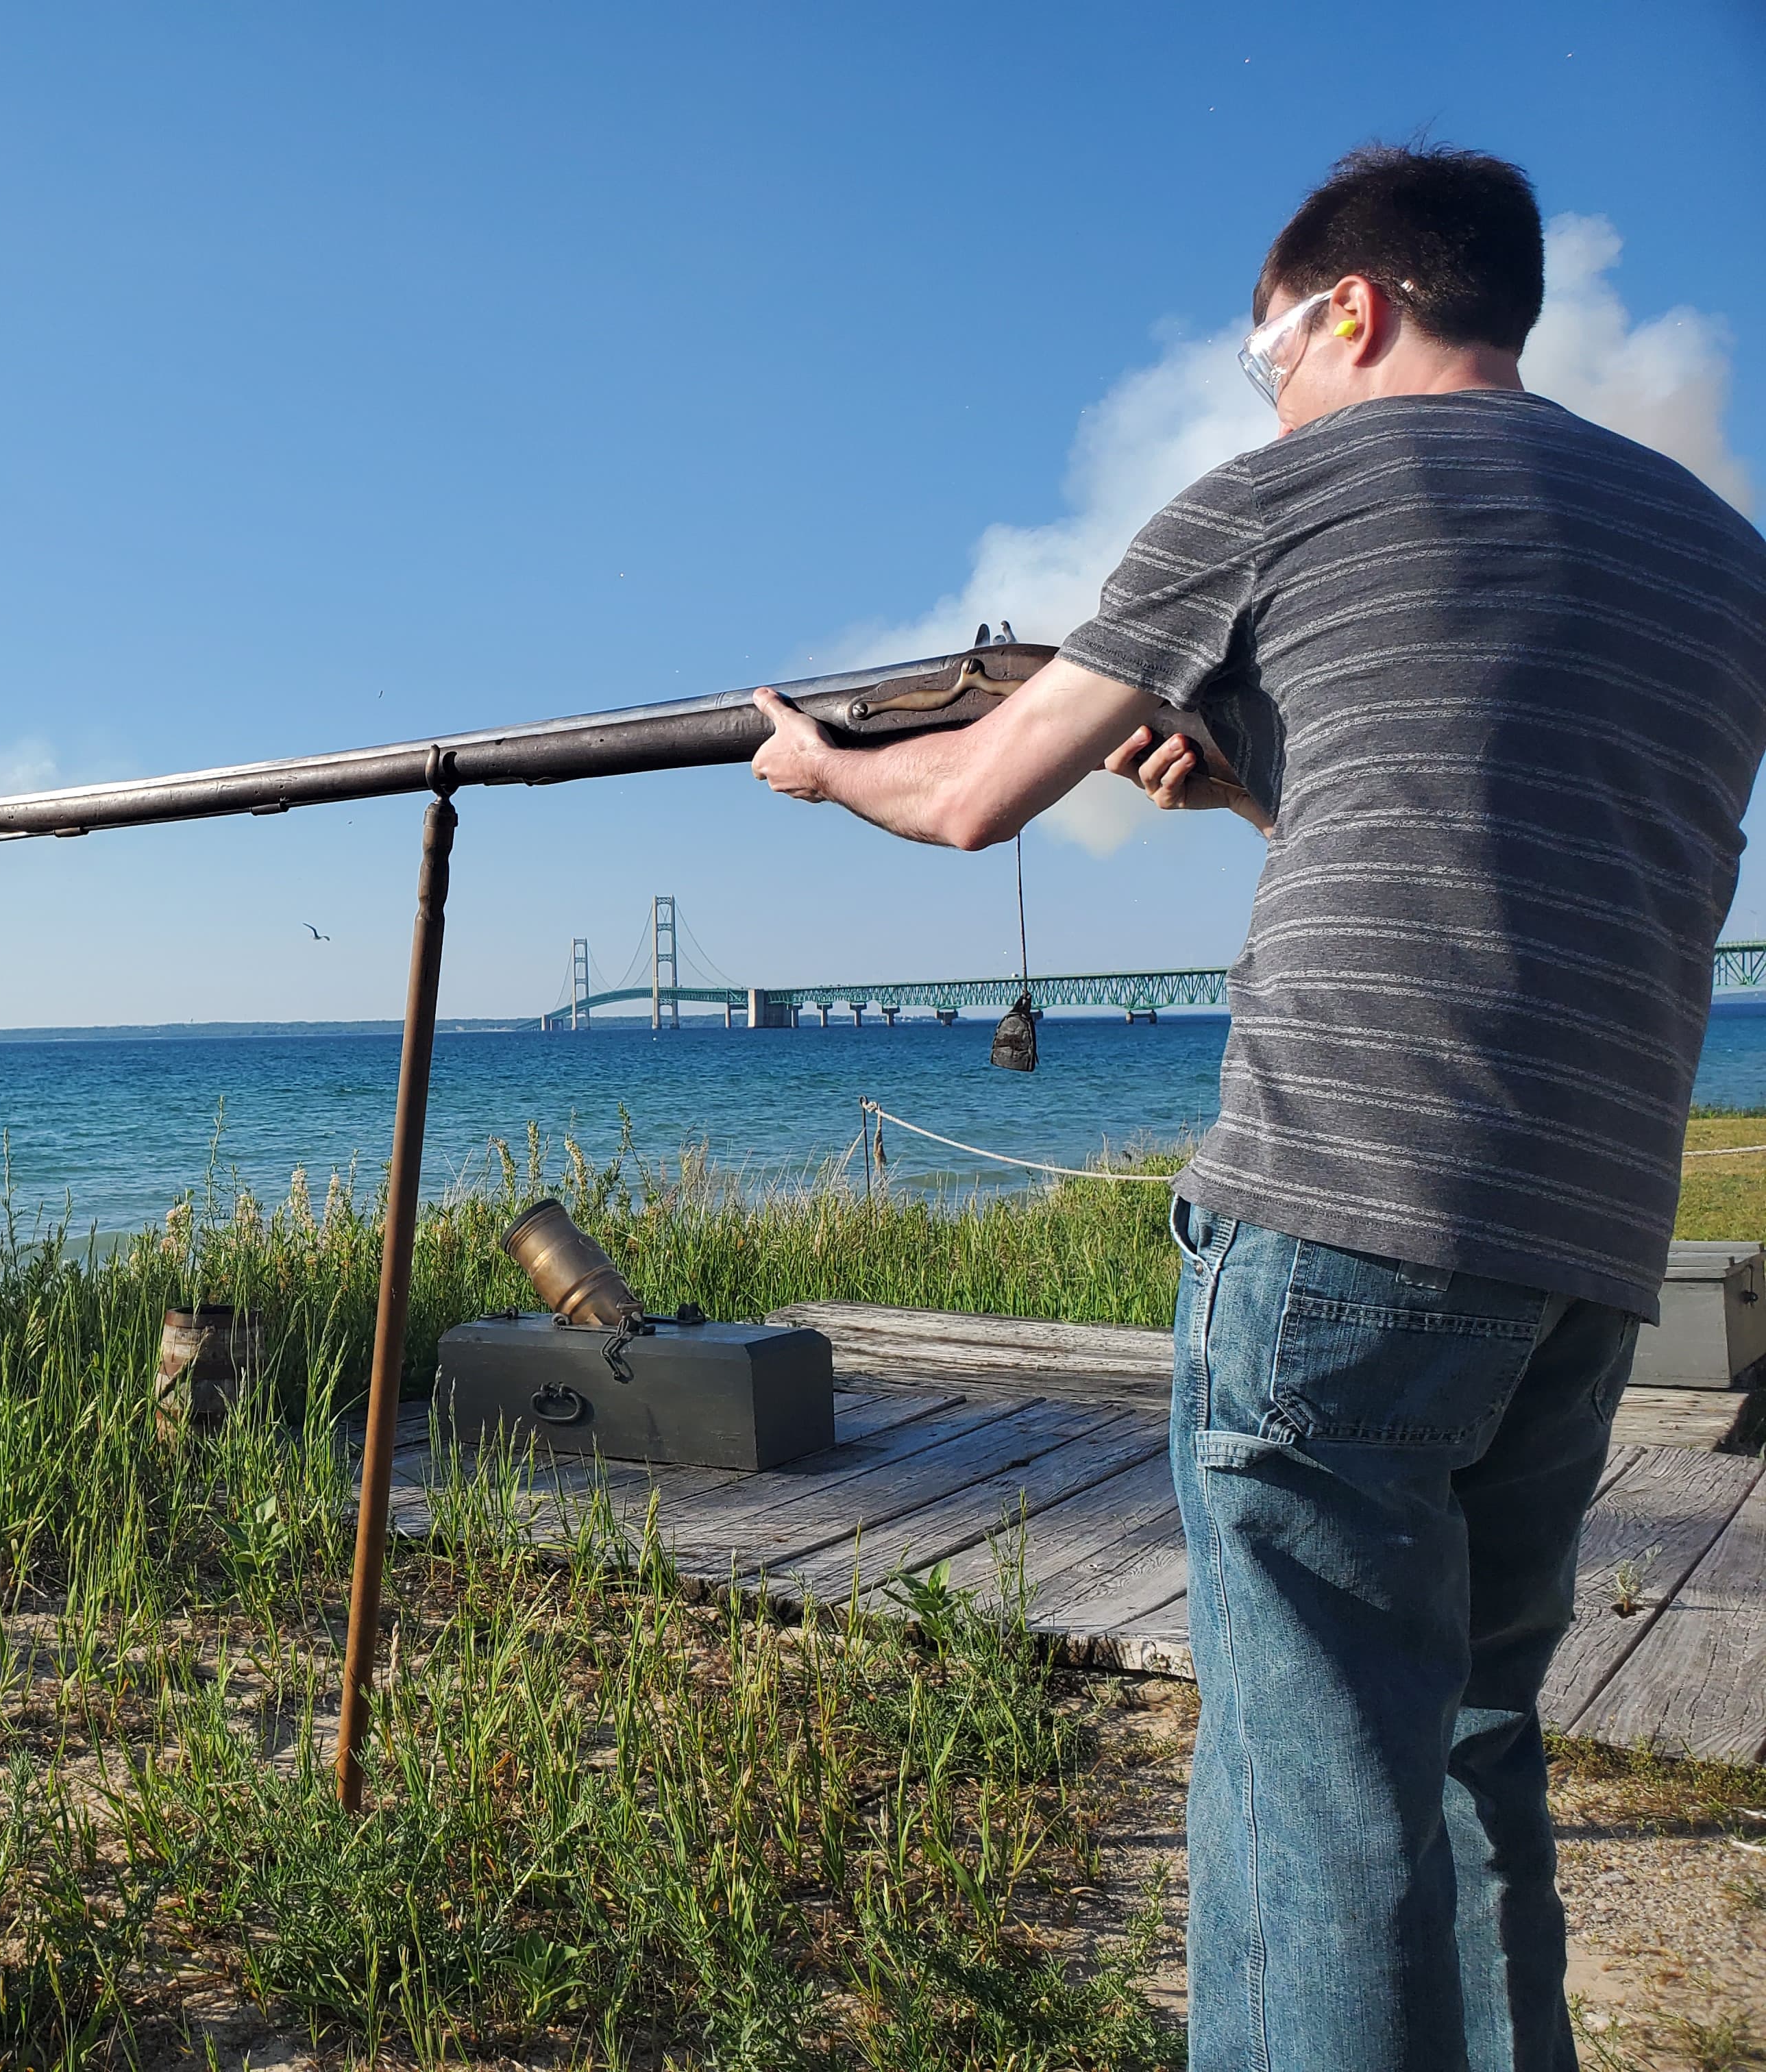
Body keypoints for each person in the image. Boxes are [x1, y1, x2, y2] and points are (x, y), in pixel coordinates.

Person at [748, 143, 1766, 2072]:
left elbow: (967, 796)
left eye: (1268, 358)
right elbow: (1504, 825)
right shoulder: (1720, 556)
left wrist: (815, 771)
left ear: (1350, 310)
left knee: (1314, 1801)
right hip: (1584, 1236)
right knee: (1470, 1746)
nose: (1272, 399)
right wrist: (1232, 792)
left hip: (1341, 1212)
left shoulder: (1280, 491)